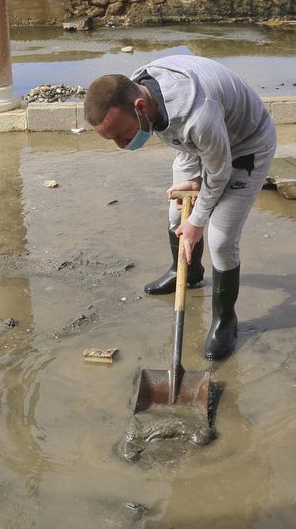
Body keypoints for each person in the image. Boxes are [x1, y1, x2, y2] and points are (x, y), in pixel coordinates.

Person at [84, 55, 276, 360]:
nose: (121, 145)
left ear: (140, 108)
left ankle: (226, 320)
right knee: (177, 214)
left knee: (220, 238)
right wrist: (192, 183)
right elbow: (181, 137)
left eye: (122, 134)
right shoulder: (143, 86)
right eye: (112, 140)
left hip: (246, 146)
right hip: (200, 143)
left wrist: (198, 220)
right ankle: (186, 272)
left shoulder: (197, 114)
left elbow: (220, 172)